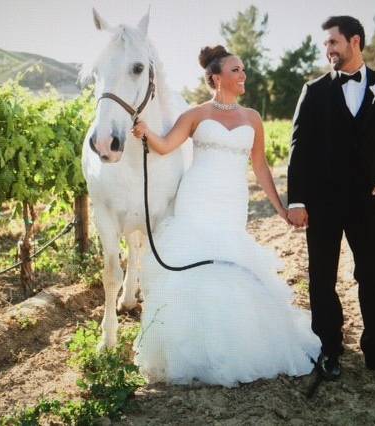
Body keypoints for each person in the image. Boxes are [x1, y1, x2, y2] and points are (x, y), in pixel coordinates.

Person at [130, 45, 321, 387]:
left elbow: (260, 166)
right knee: (195, 264)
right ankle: (190, 350)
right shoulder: (195, 114)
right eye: (236, 70)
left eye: (243, 70)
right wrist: (146, 132)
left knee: (229, 263)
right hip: (197, 198)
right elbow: (164, 145)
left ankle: (233, 343)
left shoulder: (252, 118)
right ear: (216, 78)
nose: (243, 75)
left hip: (232, 201)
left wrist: (282, 208)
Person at [287, 16, 375, 379]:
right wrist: (296, 200)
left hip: (366, 202)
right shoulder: (313, 91)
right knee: (322, 278)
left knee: (374, 275)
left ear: (355, 41)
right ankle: (330, 350)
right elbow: (298, 149)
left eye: (333, 42)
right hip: (322, 203)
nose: (328, 50)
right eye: (326, 44)